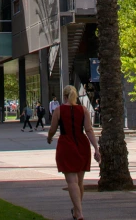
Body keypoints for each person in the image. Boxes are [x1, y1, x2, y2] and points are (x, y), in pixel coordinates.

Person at [47, 85, 100, 220]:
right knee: (79, 181)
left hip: (66, 145)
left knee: (72, 181)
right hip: (82, 144)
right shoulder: (83, 110)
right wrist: (96, 148)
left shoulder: (59, 110)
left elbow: (53, 129)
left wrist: (49, 137)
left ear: (64, 96)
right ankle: (77, 211)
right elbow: (89, 130)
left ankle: (79, 212)